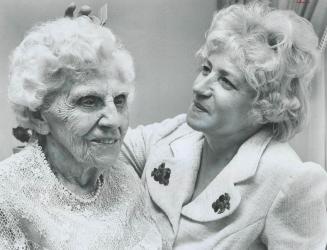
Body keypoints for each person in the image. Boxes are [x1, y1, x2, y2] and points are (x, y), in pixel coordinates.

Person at [118, 2, 327, 249]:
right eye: (206, 69)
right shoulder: (176, 133)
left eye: (225, 82)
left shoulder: (292, 181)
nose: (199, 87)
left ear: (264, 104)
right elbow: (104, 149)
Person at [0, 16, 162, 249]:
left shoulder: (125, 179)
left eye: (120, 100)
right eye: (88, 101)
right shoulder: (7, 196)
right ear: (38, 117)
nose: (114, 120)